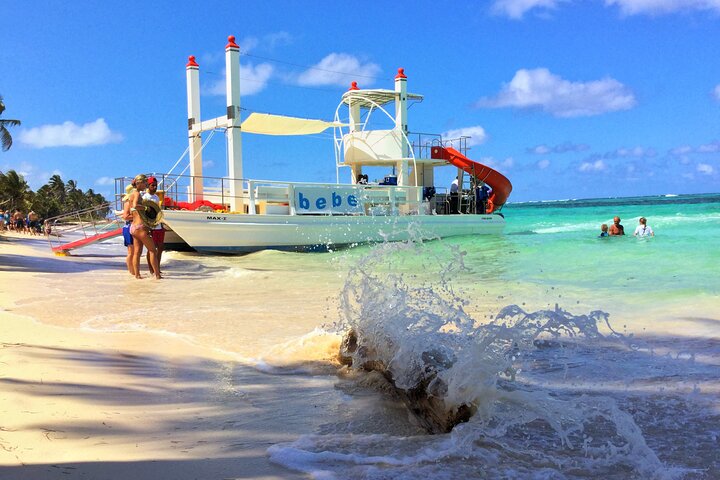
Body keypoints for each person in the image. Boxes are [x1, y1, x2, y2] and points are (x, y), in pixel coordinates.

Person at [128, 174, 160, 280]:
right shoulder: (137, 194)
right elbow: (135, 205)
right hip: (141, 227)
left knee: (137, 252)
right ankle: (157, 275)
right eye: (145, 182)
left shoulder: (132, 194)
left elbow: (131, 209)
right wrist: (146, 208)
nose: (146, 184)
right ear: (139, 183)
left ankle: (137, 275)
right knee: (153, 251)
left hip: (133, 227)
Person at [142, 176, 165, 275]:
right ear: (148, 185)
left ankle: (157, 267)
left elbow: (158, 211)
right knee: (152, 248)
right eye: (153, 185)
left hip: (158, 224)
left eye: (156, 185)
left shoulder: (156, 197)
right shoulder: (145, 197)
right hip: (150, 225)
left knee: (160, 247)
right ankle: (151, 269)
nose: (155, 187)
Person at [121, 184, 137, 276]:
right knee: (131, 251)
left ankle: (133, 271)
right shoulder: (127, 203)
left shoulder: (133, 203)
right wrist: (136, 216)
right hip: (128, 228)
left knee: (134, 251)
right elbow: (125, 216)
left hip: (133, 227)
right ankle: (131, 271)